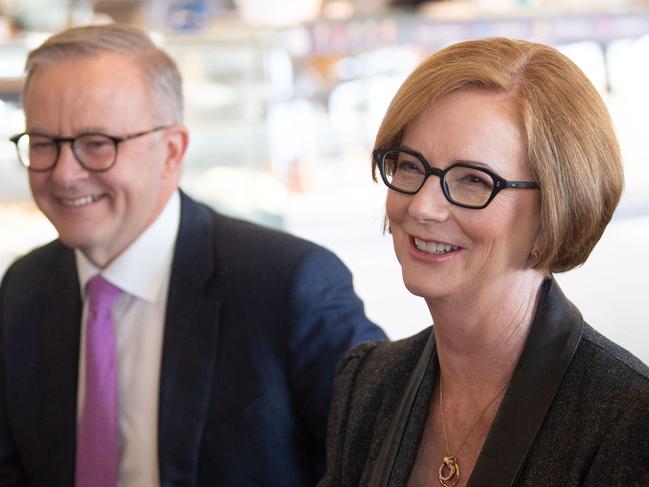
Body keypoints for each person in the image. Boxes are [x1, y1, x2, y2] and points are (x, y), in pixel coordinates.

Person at [0, 23, 386, 487]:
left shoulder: (287, 284)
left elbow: (383, 459)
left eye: (97, 145)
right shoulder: (24, 286)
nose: (64, 174)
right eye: (43, 143)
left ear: (172, 150)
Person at [318, 37, 649, 487]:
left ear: (555, 209)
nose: (423, 207)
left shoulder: (628, 419)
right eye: (411, 165)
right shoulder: (369, 381)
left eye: (474, 180)